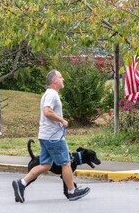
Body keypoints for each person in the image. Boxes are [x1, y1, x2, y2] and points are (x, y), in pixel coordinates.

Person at [12, 70, 90, 202]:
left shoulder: (48, 94)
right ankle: (72, 191)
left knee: (46, 165)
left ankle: (21, 183)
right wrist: (62, 120)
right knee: (66, 163)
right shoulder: (52, 94)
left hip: (45, 136)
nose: (63, 79)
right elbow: (47, 111)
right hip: (53, 138)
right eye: (60, 77)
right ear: (54, 81)